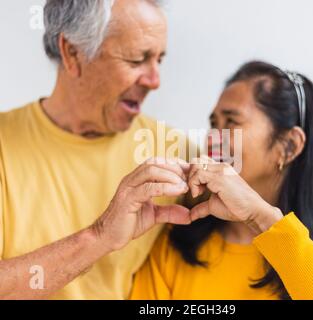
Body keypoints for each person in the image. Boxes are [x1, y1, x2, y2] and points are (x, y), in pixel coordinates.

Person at [130, 61, 313, 300]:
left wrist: (261, 219)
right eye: (213, 124)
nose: (212, 139)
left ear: (288, 146)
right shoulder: (177, 241)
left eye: (232, 122)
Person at [0, 0, 192, 299]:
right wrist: (100, 237)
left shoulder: (176, 152)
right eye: (136, 60)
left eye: (159, 60)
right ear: (72, 52)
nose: (155, 81)